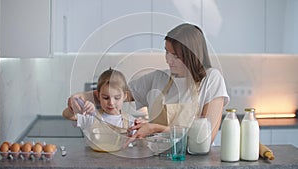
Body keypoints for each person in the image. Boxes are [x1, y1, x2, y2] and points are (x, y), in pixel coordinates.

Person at [67, 23, 229, 145]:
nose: (168, 60)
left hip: (193, 161)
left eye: (175, 56)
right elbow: (118, 94)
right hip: (158, 159)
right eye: (166, 51)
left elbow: (205, 138)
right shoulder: (158, 78)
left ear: (193, 55)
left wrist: (155, 128)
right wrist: (78, 97)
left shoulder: (212, 79)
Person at [62, 68, 134, 139]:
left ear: (124, 96)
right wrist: (74, 108)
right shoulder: (92, 117)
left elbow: (140, 141)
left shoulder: (130, 122)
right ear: (98, 95)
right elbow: (67, 115)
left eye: (117, 98)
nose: (111, 103)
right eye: (106, 98)